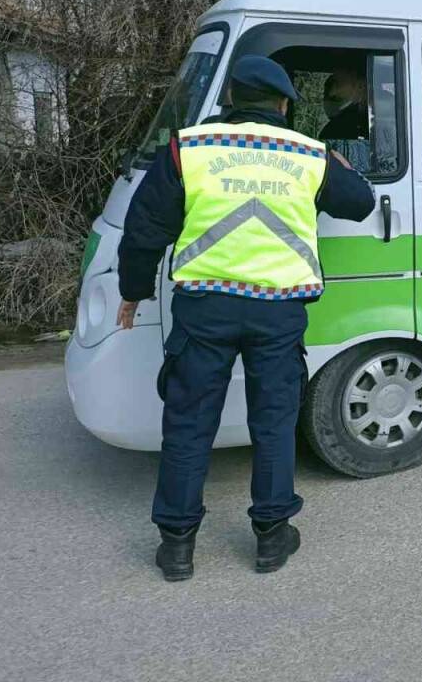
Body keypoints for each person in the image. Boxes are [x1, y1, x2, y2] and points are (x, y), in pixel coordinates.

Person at [117, 55, 375, 581]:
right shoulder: (309, 154)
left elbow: (144, 228)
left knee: (188, 425)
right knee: (274, 423)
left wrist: (132, 292)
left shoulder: (189, 148)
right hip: (277, 314)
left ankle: (177, 547)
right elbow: (361, 204)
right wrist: (340, 165)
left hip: (204, 311)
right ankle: (272, 540)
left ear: (230, 100)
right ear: (283, 105)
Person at [319, 67, 369, 141]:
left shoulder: (336, 129)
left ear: (361, 86)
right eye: (325, 93)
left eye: (339, 83)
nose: (332, 93)